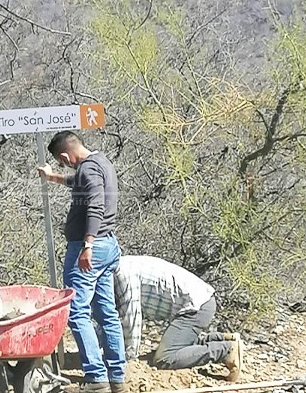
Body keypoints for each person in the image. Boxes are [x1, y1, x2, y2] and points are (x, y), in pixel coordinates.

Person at [37, 130, 126, 393]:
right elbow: (81, 181)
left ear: (65, 155)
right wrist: (54, 177)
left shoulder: (87, 170)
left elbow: (95, 205)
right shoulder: (100, 163)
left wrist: (87, 244)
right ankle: (116, 376)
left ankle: (96, 377)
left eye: (62, 162)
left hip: (90, 249)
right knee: (107, 313)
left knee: (77, 312)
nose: (65, 165)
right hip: (108, 245)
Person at [113, 255, 243, 381]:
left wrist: (129, 358)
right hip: (200, 300)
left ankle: (225, 351)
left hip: (197, 307)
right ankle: (223, 338)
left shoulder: (123, 275)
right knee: (176, 343)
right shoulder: (124, 265)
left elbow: (131, 319)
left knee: (164, 358)